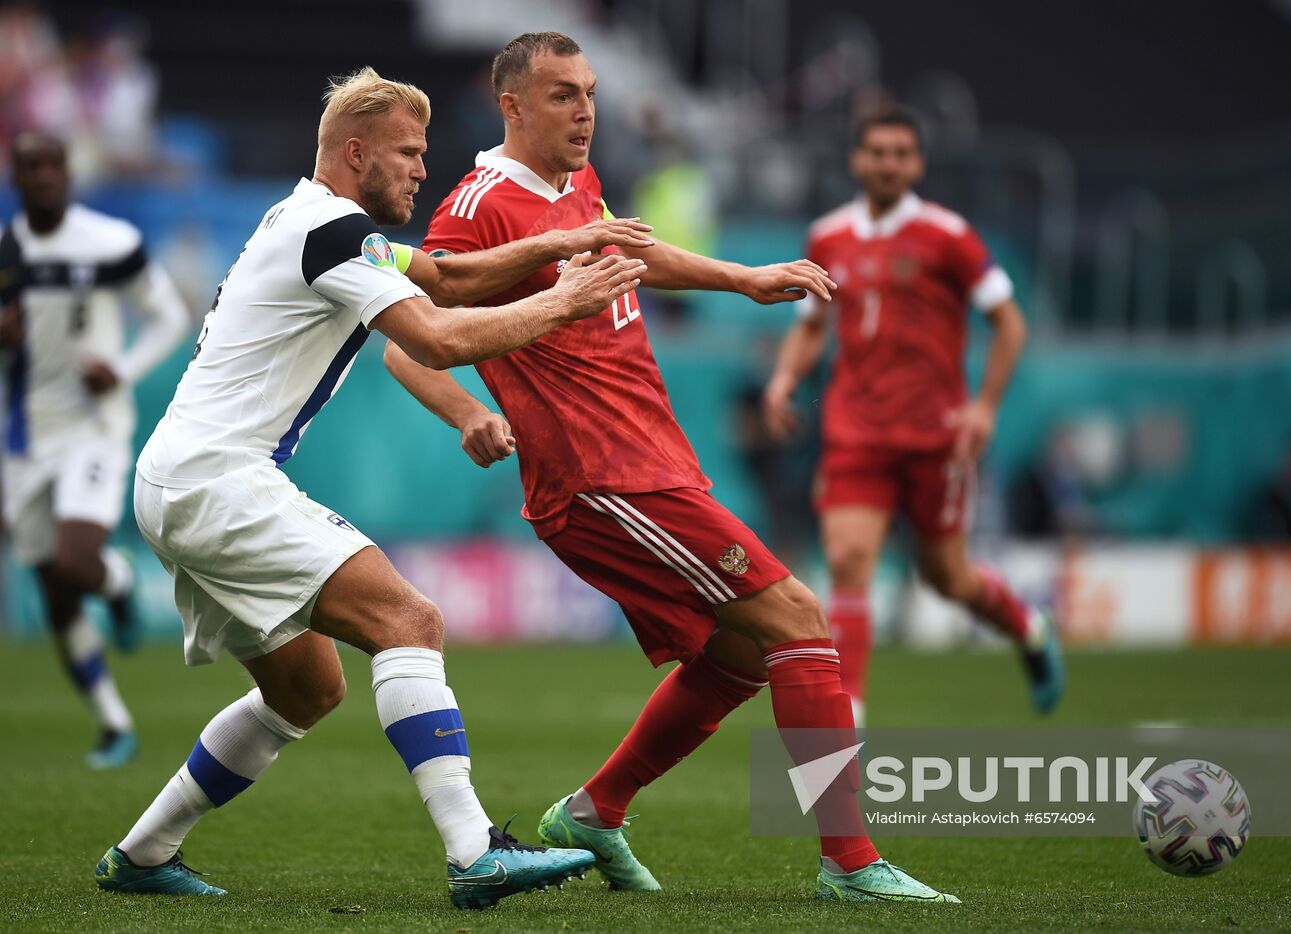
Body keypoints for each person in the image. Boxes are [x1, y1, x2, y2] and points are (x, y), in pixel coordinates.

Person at [386, 32, 957, 904]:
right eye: (561, 96)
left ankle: (595, 810)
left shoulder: (577, 183)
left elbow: (633, 258)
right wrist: (470, 412)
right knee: (801, 620)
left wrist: (743, 277)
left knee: (741, 652)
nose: (584, 111)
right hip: (599, 478)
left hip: (651, 462)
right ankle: (850, 860)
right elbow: (408, 338)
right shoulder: (477, 207)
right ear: (511, 105)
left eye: (588, 92)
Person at [93, 66, 648, 909]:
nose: (423, 169)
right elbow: (435, 336)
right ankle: (475, 854)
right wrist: (564, 302)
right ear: (356, 155)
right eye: (408, 153)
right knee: (409, 619)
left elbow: (448, 279)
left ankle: (143, 853)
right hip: (218, 479)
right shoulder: (335, 232)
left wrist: (548, 246)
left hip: (178, 477)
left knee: (307, 689)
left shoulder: (317, 223)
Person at [762, 112, 1065, 725]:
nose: (888, 163)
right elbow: (812, 326)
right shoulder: (827, 237)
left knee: (947, 577)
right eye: (877, 152)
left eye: (901, 153)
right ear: (856, 161)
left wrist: (984, 407)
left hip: (935, 438)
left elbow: (1010, 322)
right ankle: (850, 716)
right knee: (848, 560)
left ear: (918, 165)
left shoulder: (948, 236)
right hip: (856, 434)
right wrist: (784, 379)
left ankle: (1028, 628)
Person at [0, 131, 187, 769]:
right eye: (32, 168)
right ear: (16, 177)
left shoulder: (110, 243)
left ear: (68, 172)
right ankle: (113, 723)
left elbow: (168, 317)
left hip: (93, 427)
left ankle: (119, 581)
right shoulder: (6, 253)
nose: (45, 176)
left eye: (55, 164)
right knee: (52, 590)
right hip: (24, 440)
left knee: (78, 563)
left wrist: (123, 368)